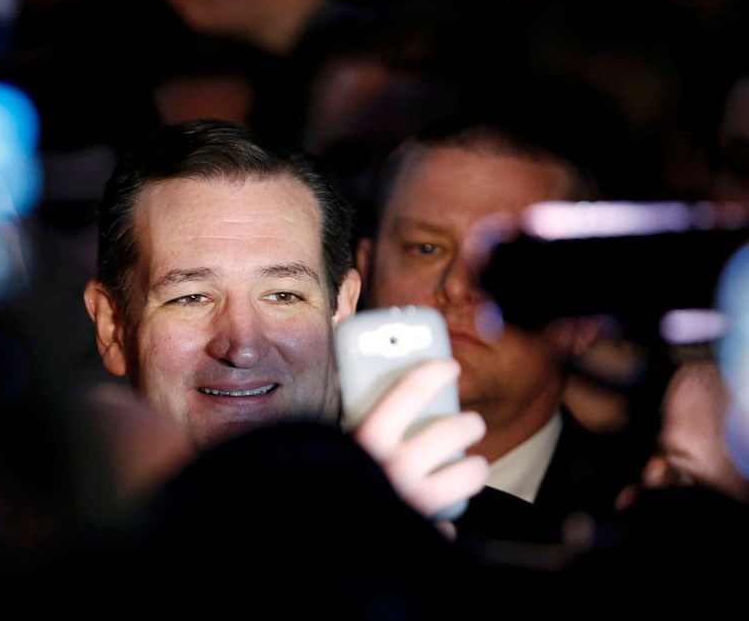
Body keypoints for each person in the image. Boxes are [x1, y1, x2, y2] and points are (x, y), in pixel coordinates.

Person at [82, 118, 488, 518]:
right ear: (112, 327)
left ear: (342, 311)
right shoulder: (40, 562)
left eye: (283, 295)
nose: (243, 347)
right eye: (192, 297)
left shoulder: (508, 557)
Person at [353, 90, 653, 550]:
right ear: (365, 273)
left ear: (584, 316)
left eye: (509, 260)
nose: (457, 287)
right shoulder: (264, 483)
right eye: (426, 248)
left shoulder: (637, 524)